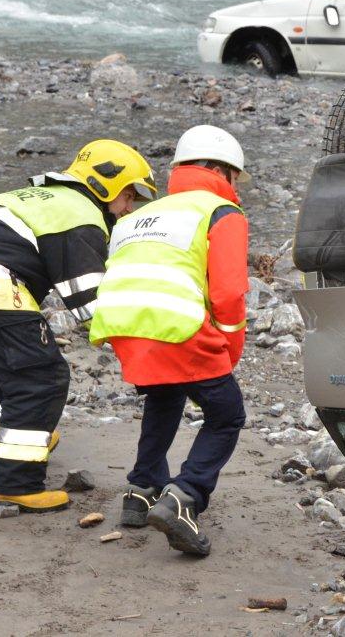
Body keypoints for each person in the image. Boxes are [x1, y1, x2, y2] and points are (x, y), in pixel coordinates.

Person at [0, 140, 156, 513]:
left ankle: (12, 445)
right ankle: (16, 484)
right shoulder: (80, 214)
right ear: (106, 184)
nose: (129, 208)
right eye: (128, 196)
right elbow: (92, 305)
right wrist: (146, 351)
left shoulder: (42, 196)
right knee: (41, 377)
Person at [89, 126, 249, 557]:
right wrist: (228, 351)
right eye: (235, 177)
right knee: (227, 414)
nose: (237, 187)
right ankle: (185, 496)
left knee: (166, 395)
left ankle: (141, 490)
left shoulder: (141, 215)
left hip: (123, 325)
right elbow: (228, 293)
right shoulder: (221, 212)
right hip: (176, 324)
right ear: (221, 171)